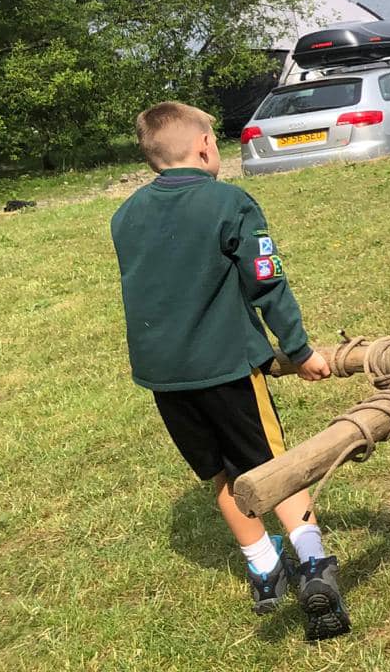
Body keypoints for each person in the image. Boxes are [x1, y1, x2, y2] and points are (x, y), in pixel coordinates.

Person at [109, 102, 350, 640]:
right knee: (272, 465)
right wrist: (300, 350)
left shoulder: (124, 215)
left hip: (164, 376)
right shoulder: (228, 202)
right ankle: (314, 564)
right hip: (225, 366)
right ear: (203, 147)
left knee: (222, 472)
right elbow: (267, 281)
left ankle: (264, 570)